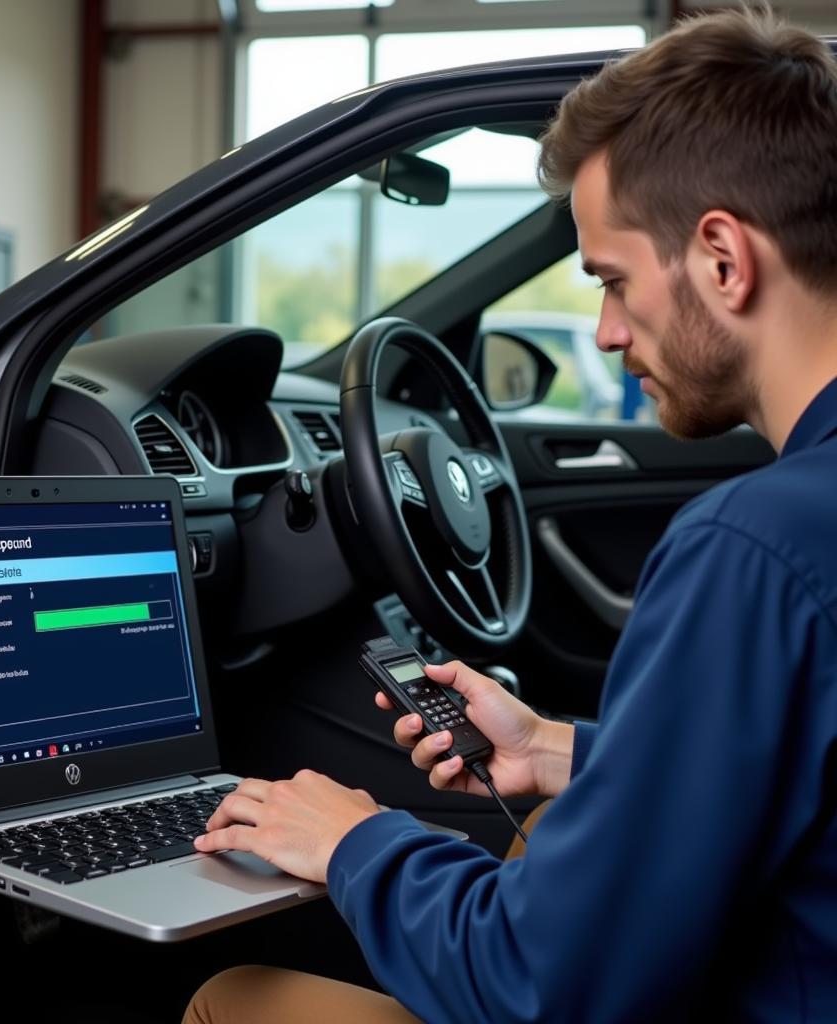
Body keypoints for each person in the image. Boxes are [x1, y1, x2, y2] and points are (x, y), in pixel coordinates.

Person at [185, 9, 837, 1021]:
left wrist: (354, 839)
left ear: (721, 256)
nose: (611, 332)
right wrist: (564, 750)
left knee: (236, 997)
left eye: (612, 282)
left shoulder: (750, 550)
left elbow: (540, 983)